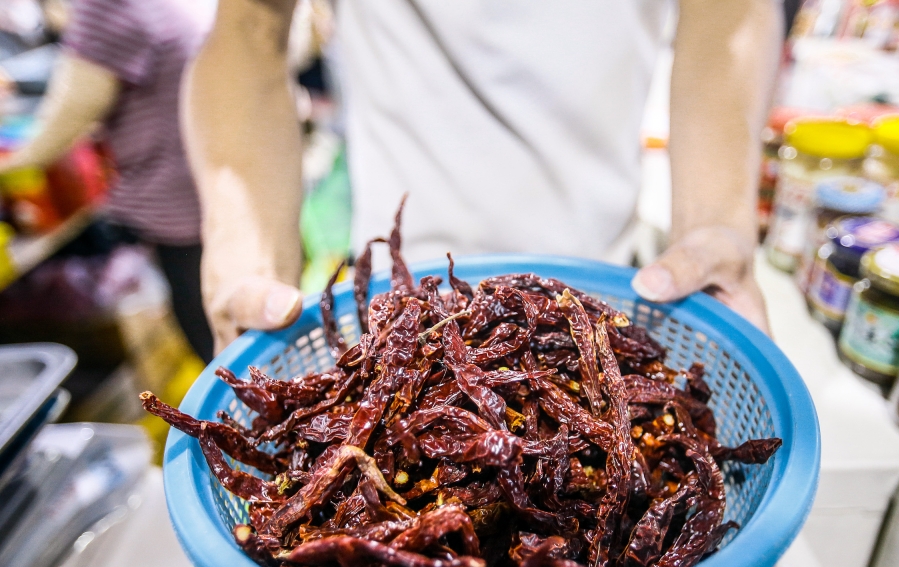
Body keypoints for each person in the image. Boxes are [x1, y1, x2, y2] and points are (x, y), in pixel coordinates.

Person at [184, 0, 781, 352]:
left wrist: (716, 225)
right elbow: (250, 23)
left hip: (604, 288)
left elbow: (727, 15)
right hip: (398, 313)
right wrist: (247, 255)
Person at [0, 0, 215, 363]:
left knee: (208, 330)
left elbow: (72, 111)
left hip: (178, 196)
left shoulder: (101, 5)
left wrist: (12, 164)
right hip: (200, 179)